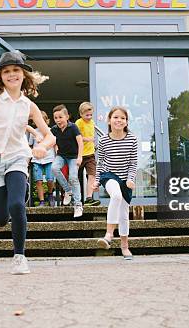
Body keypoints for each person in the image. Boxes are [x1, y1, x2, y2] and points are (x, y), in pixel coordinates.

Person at [0, 51, 55, 275]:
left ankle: (19, 257)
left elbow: (49, 136)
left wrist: (42, 147)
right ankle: (11, 200)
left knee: (16, 205)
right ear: (1, 76)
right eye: (6, 71)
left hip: (17, 157)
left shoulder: (29, 106)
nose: (12, 74)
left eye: (16, 70)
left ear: (24, 75)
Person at [95, 106, 139, 260]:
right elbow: (100, 163)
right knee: (116, 196)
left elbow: (133, 162)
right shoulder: (103, 140)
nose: (119, 120)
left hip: (125, 179)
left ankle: (125, 246)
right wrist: (96, 181)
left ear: (126, 122)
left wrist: (130, 178)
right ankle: (108, 235)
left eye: (122, 118)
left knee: (124, 214)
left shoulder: (132, 139)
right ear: (109, 120)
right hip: (109, 176)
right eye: (116, 117)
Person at [50, 104, 84, 217]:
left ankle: (78, 205)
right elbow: (51, 140)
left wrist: (80, 157)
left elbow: (80, 142)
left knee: (73, 177)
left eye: (60, 117)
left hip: (74, 157)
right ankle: (68, 191)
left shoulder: (73, 127)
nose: (58, 120)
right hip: (61, 156)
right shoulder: (54, 129)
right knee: (54, 168)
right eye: (56, 118)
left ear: (67, 117)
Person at [28, 111, 56, 206]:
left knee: (50, 179)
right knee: (38, 181)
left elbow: (54, 144)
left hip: (49, 159)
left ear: (46, 121)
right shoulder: (33, 133)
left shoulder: (50, 131)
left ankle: (50, 194)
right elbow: (30, 146)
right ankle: (42, 201)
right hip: (37, 160)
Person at [76, 102, 100, 206]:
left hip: (90, 154)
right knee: (75, 176)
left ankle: (89, 198)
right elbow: (76, 136)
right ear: (81, 114)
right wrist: (88, 139)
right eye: (87, 115)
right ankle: (74, 197)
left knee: (92, 175)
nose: (89, 117)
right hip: (79, 154)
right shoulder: (78, 123)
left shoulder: (92, 123)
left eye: (91, 115)